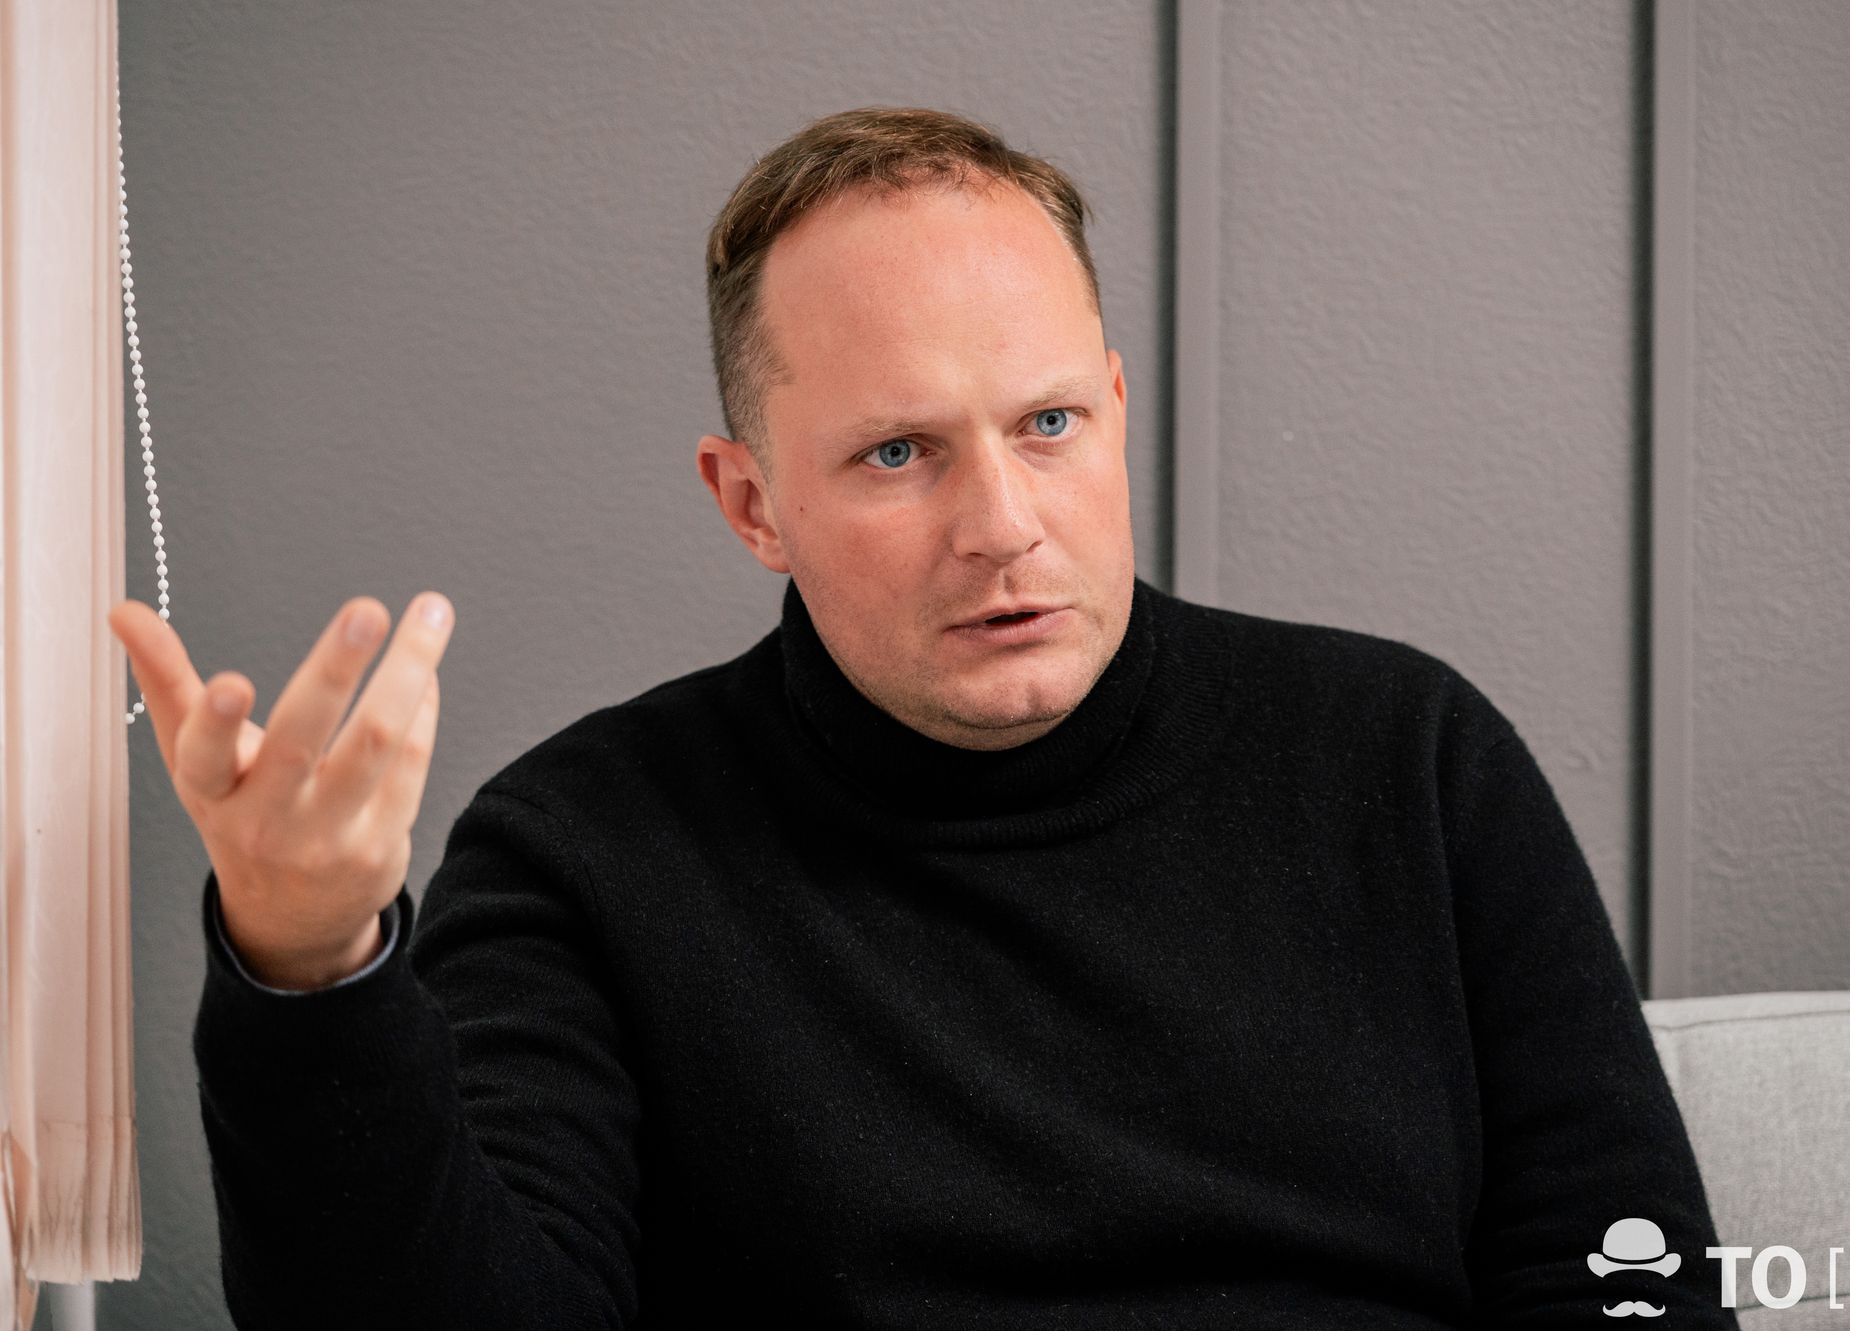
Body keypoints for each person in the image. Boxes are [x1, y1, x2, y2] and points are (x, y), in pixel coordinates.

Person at [109, 105, 1738, 1329]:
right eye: (899, 454)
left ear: (1116, 407)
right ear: (751, 501)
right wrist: (314, 971)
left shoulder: (1407, 759)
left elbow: (1628, 1280)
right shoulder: (584, 850)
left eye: (1048, 425)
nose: (1002, 525)